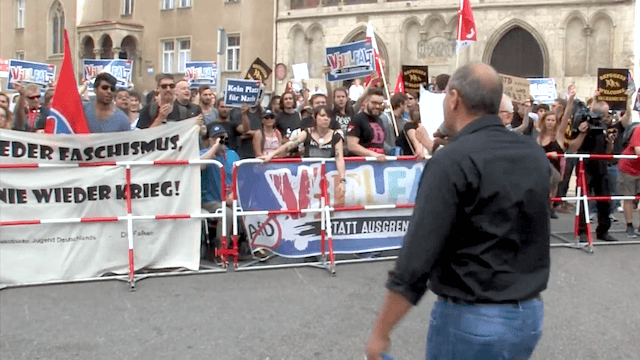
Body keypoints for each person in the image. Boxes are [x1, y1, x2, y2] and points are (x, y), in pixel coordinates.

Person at [365, 63, 550, 360]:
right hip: (527, 314)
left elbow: (416, 258)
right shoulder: (533, 154)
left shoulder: (452, 161)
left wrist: (380, 332)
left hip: (472, 317)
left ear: (453, 98)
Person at [262, 105, 346, 202]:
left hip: (328, 179)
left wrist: (342, 181)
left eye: (328, 116)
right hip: (308, 179)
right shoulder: (307, 132)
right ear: (315, 117)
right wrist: (271, 155)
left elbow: (340, 159)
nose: (325, 119)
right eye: (322, 116)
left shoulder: (336, 136)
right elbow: (290, 144)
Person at [568, 100, 618, 242]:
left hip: (601, 164)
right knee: (584, 198)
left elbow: (608, 151)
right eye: (601, 114)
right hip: (585, 164)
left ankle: (603, 230)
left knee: (605, 198)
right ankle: (582, 231)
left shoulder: (605, 125)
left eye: (605, 114)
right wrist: (583, 132)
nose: (603, 117)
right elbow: (573, 146)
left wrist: (610, 141)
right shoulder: (581, 121)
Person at [200, 124, 237, 249]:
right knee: (227, 214)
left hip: (230, 196)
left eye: (222, 137)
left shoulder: (232, 154)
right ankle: (222, 249)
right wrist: (215, 146)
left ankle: (253, 245)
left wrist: (234, 193)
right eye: (217, 138)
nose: (221, 140)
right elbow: (200, 166)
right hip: (210, 200)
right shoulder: (205, 153)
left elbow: (241, 177)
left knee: (248, 209)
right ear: (210, 139)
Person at [346, 88, 387, 161]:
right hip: (361, 166)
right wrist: (374, 155)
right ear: (366, 102)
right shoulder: (357, 119)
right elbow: (351, 145)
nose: (377, 106)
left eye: (380, 104)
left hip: (378, 166)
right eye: (374, 103)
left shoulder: (380, 120)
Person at [537, 112, 564, 219]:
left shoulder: (558, 135)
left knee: (552, 187)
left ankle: (550, 207)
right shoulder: (539, 136)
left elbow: (561, 154)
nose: (550, 123)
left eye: (553, 120)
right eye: (548, 120)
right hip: (541, 166)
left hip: (555, 166)